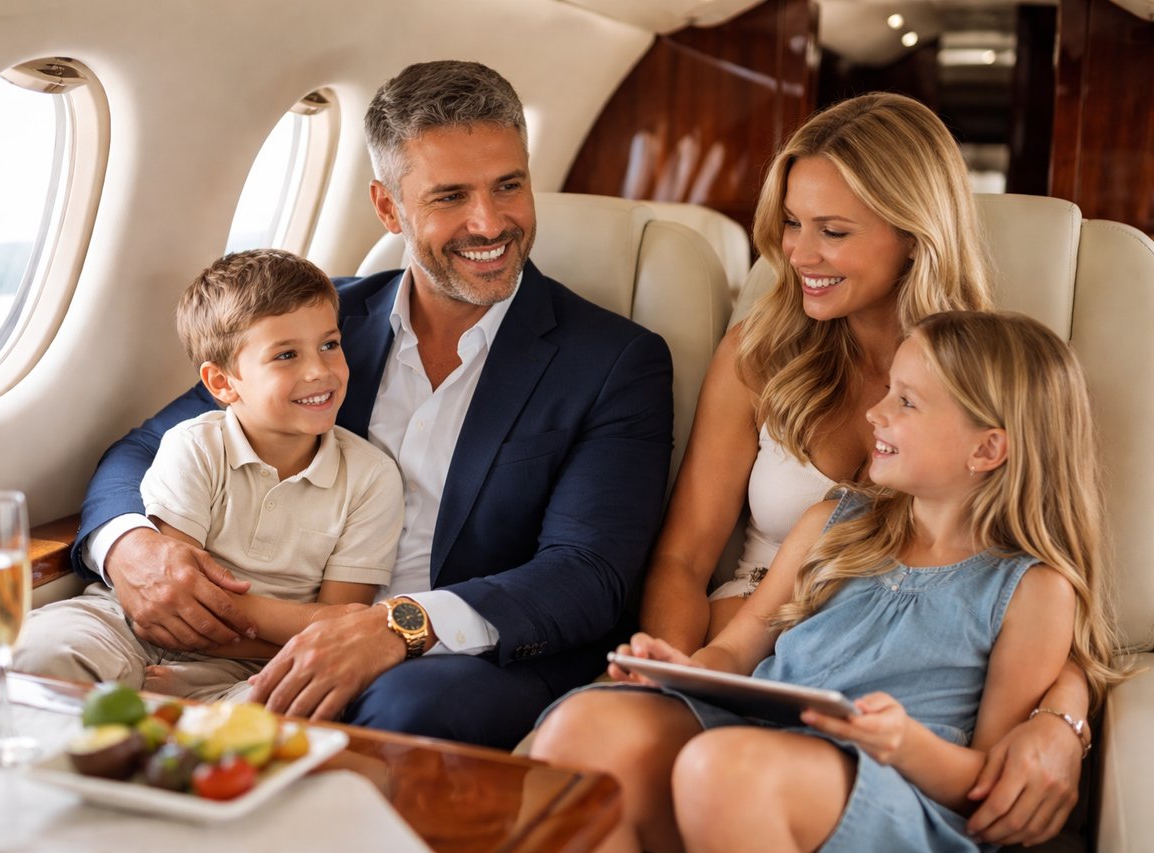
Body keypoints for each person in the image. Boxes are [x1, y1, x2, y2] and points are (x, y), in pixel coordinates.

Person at [61, 60, 674, 747]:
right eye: (449, 197)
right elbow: (142, 448)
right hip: (279, 629)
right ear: (388, 208)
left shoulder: (616, 360)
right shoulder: (322, 323)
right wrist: (132, 549)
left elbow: (588, 574)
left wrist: (397, 628)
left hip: (464, 654)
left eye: (509, 185)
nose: (489, 221)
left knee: (403, 707)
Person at [639, 92, 1090, 845]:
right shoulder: (760, 353)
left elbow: (1044, 589)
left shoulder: (993, 377)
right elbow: (683, 558)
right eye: (790, 222)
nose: (797, 254)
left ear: (915, 236)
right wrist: (683, 677)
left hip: (877, 713)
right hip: (748, 654)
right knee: (588, 737)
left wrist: (1063, 720)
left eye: (833, 231)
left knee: (731, 772)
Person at [534, 310, 1129, 852]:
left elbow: (987, 781)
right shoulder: (831, 524)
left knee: (727, 768)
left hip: (897, 793)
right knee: (586, 724)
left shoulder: (1031, 590)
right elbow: (736, 651)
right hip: (757, 738)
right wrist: (676, 669)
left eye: (907, 402)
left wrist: (902, 743)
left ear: (986, 449)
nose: (877, 412)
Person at [13, 250, 404, 700]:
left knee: (274, 710)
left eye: (330, 345)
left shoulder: (372, 477)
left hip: (254, 661)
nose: (319, 371)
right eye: (286, 355)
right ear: (222, 384)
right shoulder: (194, 445)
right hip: (128, 624)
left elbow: (338, 625)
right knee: (39, 650)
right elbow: (172, 598)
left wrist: (229, 649)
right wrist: (295, 619)